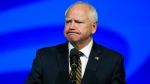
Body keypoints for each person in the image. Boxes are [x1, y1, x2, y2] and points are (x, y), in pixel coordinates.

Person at [24, 1, 126, 84]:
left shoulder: (113, 60)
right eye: (68, 22)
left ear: (93, 27)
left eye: (78, 22)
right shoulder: (44, 57)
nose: (71, 27)